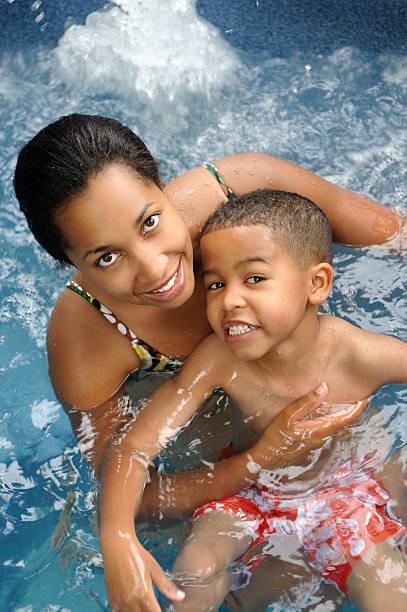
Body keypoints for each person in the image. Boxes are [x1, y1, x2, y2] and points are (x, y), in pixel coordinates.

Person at [13, 114, 401, 609]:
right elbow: (140, 491)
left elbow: (394, 235)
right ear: (72, 263)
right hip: (227, 469)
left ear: (161, 185)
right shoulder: (85, 339)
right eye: (106, 257)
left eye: (150, 222)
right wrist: (118, 537)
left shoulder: (239, 200)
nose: (156, 269)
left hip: (340, 442)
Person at [99, 190, 407, 612]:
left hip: (356, 487)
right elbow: (135, 445)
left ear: (316, 284)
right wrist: (117, 536)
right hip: (254, 493)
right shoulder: (219, 361)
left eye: (255, 279)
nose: (230, 300)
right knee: (198, 567)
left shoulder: (359, 355)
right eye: (215, 284)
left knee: (385, 582)